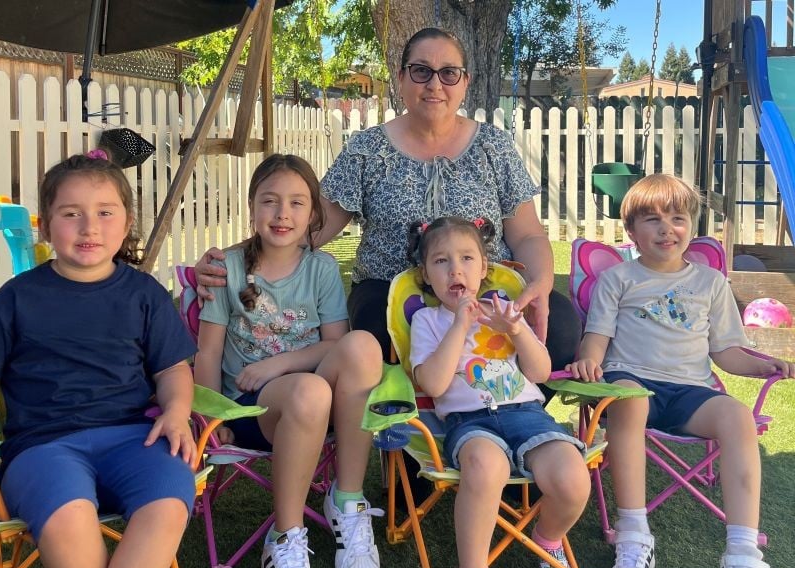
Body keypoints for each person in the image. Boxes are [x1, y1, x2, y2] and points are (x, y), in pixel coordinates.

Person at [193, 26, 581, 386]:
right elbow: (307, 227)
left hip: (480, 284)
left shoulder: (494, 147)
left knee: (559, 326)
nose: (434, 84)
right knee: (375, 332)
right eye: (421, 71)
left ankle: (510, 416)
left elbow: (527, 233)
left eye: (449, 73)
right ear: (400, 78)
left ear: (465, 82)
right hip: (387, 288)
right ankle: (408, 443)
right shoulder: (368, 149)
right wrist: (230, 260)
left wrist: (540, 286)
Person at [566, 174, 795, 568]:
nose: (666, 228)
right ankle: (634, 539)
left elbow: (726, 352)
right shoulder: (618, 279)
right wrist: (588, 361)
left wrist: (762, 367)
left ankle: (741, 556)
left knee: (738, 417)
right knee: (629, 404)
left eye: (677, 217)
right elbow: (597, 336)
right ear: (631, 231)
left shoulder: (711, 284)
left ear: (690, 225)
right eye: (651, 220)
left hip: (690, 390)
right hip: (630, 379)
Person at [0, 152, 199, 568]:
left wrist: (178, 411)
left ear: (126, 224)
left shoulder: (144, 295)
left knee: (167, 500)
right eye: (71, 214)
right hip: (43, 445)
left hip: (134, 438)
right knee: (67, 515)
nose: (90, 227)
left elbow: (172, 369)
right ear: (45, 227)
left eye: (105, 213)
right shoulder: (15, 299)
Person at [193, 153, 384, 568]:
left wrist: (277, 363)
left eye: (297, 203)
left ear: (314, 214)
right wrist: (203, 420)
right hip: (249, 410)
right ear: (251, 207)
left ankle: (347, 499)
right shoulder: (227, 267)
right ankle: (284, 536)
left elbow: (336, 346)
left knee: (363, 346)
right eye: (270, 201)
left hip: (311, 398)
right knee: (311, 388)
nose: (283, 214)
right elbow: (208, 351)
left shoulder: (320, 269)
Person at [407, 216, 590, 568]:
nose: (456, 269)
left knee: (573, 477)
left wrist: (517, 331)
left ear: (484, 268)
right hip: (470, 422)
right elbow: (434, 384)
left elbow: (540, 373)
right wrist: (459, 325)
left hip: (527, 413)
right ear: (426, 274)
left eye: (467, 258)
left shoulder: (504, 311)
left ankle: (548, 539)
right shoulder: (429, 320)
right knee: (486, 468)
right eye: (441, 261)